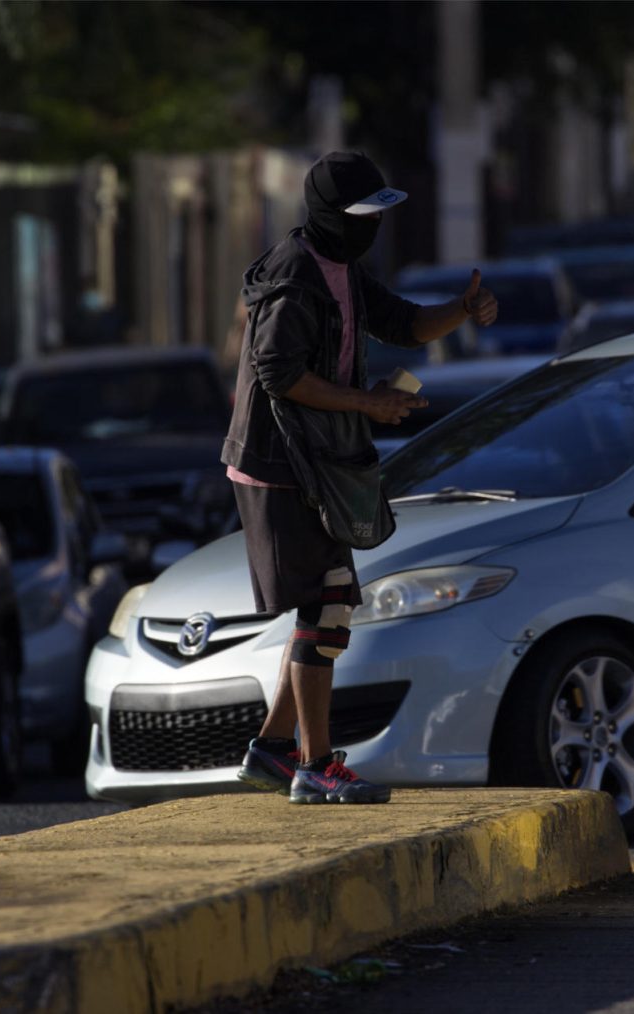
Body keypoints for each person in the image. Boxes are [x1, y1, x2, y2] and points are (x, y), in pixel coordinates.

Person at [221, 151, 498, 804]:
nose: (370, 227)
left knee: (331, 600)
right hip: (275, 464)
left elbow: (402, 323)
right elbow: (278, 375)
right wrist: (369, 403)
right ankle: (314, 768)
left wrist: (461, 308)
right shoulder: (293, 279)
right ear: (326, 216)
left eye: (377, 213)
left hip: (312, 460)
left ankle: (272, 751)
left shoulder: (340, 265)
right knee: (329, 600)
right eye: (361, 215)